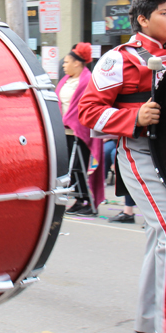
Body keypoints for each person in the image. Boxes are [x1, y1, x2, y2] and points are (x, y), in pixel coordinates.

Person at [79, 0, 166, 333]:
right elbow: (87, 112)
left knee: (160, 234)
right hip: (141, 155)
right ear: (143, 20)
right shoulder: (119, 60)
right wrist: (134, 119)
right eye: (164, 12)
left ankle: (147, 322)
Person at [56, 42, 104, 216]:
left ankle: (89, 202)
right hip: (65, 131)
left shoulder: (87, 81)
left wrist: (70, 120)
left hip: (80, 132)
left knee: (80, 166)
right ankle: (79, 199)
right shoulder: (65, 80)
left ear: (77, 63)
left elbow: (85, 107)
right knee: (71, 169)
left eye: (67, 62)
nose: (64, 65)